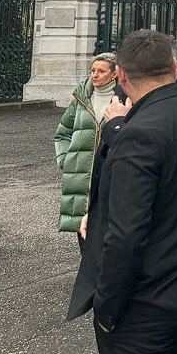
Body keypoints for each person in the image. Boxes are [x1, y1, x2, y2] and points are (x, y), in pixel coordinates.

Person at [66, 30, 177, 354]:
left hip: (145, 303)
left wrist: (106, 308)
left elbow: (126, 234)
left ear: (121, 76)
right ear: (175, 67)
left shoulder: (138, 133)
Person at [54, 52, 126, 235]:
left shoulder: (123, 99)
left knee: (110, 227)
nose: (94, 75)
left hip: (109, 170)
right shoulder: (80, 98)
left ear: (114, 74)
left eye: (101, 71)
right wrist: (65, 159)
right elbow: (63, 132)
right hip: (81, 173)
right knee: (82, 231)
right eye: (93, 70)